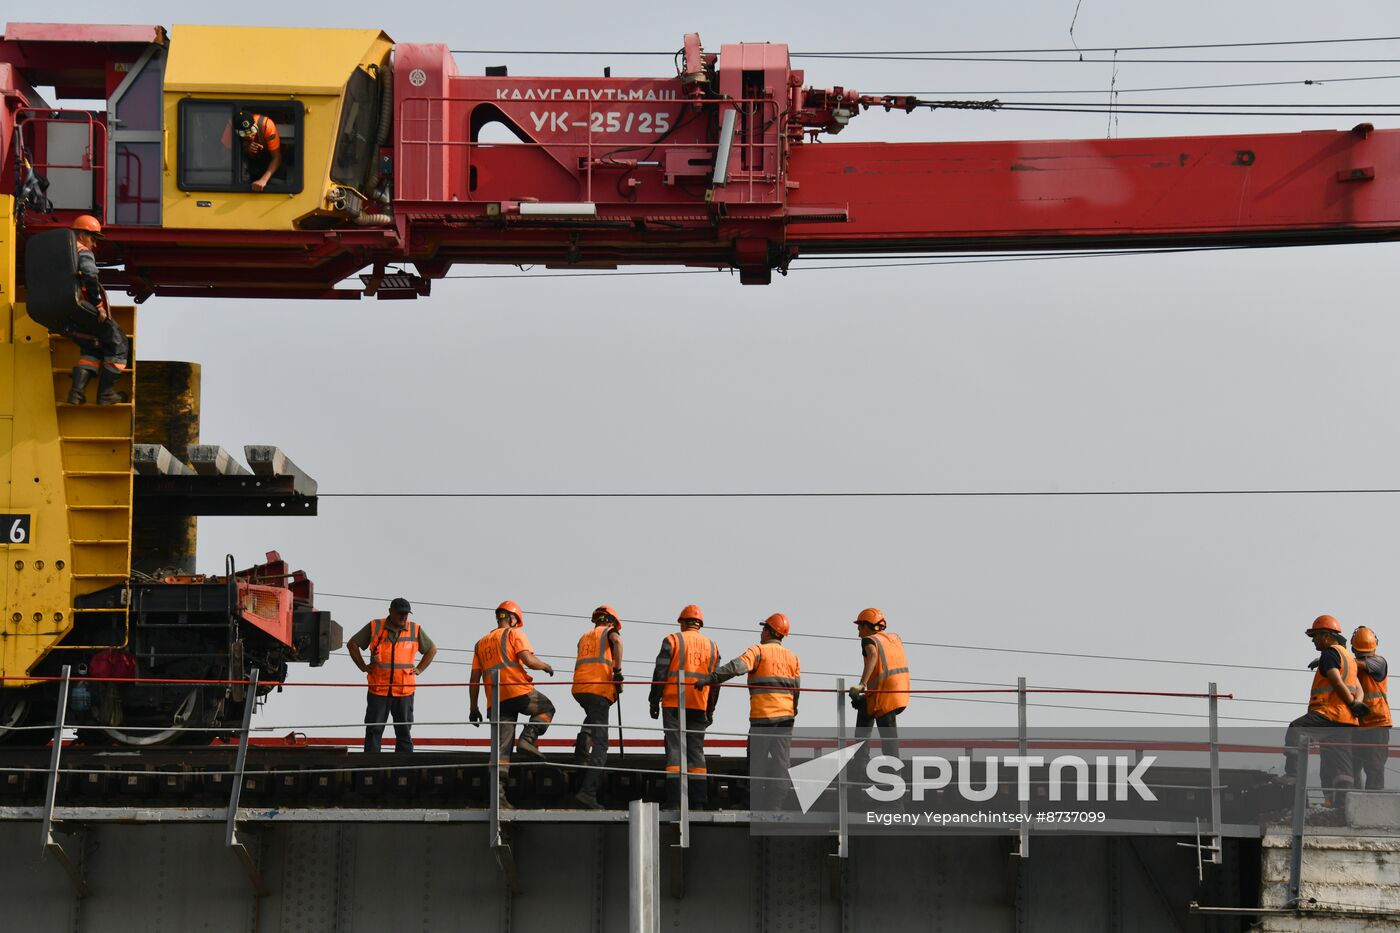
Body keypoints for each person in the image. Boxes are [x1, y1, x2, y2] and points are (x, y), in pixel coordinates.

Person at [695, 612, 800, 810]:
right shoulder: (793, 658)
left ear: (770, 632)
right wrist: (793, 711)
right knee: (781, 763)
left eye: (764, 628)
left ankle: (752, 802)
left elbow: (737, 667)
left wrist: (711, 678)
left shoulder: (758, 651)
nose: (761, 632)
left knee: (757, 762)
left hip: (764, 717)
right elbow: (796, 690)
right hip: (786, 719)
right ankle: (776, 805)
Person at [469, 600, 556, 809]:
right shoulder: (514, 634)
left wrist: (474, 708)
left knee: (501, 750)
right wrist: (545, 666)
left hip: (496, 700)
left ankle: (498, 796)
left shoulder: (480, 643)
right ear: (513, 618)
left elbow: (474, 680)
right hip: (518, 691)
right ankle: (528, 739)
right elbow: (528, 660)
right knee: (546, 708)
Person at [1283, 615, 1368, 803]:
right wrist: (1356, 704)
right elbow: (1359, 688)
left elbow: (1335, 679)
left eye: (1315, 636)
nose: (1313, 640)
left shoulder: (1329, 654)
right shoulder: (1349, 658)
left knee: (1296, 729)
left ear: (1326, 635)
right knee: (1340, 767)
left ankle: (1293, 776)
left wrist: (1351, 702)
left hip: (1329, 714)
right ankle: (1340, 804)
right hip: (1346, 720)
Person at [649, 604, 719, 810]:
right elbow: (716, 682)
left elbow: (660, 672)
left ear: (682, 622)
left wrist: (653, 700)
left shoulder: (672, 640)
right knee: (696, 752)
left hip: (673, 702)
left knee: (674, 750)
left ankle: (674, 801)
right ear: (700, 624)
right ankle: (698, 802)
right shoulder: (713, 647)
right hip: (699, 704)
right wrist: (710, 708)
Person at [347, 597, 436, 753]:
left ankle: (404, 768)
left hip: (404, 690)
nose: (404, 616)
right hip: (379, 689)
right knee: (374, 730)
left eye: (406, 614)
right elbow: (352, 644)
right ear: (391, 612)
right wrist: (362, 666)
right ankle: (371, 766)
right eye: (400, 613)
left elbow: (432, 649)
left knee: (404, 732)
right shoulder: (376, 626)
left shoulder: (414, 629)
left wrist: (420, 669)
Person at [63, 215, 129, 406]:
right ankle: (106, 395)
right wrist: (98, 305)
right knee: (118, 343)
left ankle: (76, 394)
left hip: (66, 313)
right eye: (93, 238)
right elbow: (90, 276)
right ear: (83, 235)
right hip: (83, 307)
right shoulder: (81, 251)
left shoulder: (59, 252)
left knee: (92, 347)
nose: (94, 244)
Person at [571, 605, 624, 809]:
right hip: (598, 689)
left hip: (580, 689)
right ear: (610, 621)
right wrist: (617, 672)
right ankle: (587, 792)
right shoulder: (610, 632)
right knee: (601, 745)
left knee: (591, 721)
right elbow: (617, 642)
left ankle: (582, 752)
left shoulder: (585, 636)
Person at [848, 608, 909, 765]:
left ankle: (861, 769)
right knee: (864, 708)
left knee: (886, 743)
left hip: (884, 696)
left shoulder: (870, 641)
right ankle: (886, 772)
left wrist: (861, 684)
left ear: (867, 626)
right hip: (898, 693)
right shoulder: (894, 639)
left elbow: (873, 656)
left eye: (859, 627)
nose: (858, 633)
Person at [1350, 626, 1391, 790]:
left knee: (1374, 770)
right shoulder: (1351, 665)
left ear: (1353, 648)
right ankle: (1350, 804)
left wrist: (1336, 659)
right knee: (1352, 771)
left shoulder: (1379, 662)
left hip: (1376, 726)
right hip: (1356, 726)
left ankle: (1372, 808)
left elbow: (1359, 664)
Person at [222, 110, 282, 191]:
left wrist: (263, 180)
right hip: (245, 163)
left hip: (268, 159)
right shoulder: (230, 127)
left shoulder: (266, 125)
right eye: (244, 134)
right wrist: (244, 150)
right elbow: (225, 156)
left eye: (252, 131)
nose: (250, 136)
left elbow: (277, 157)